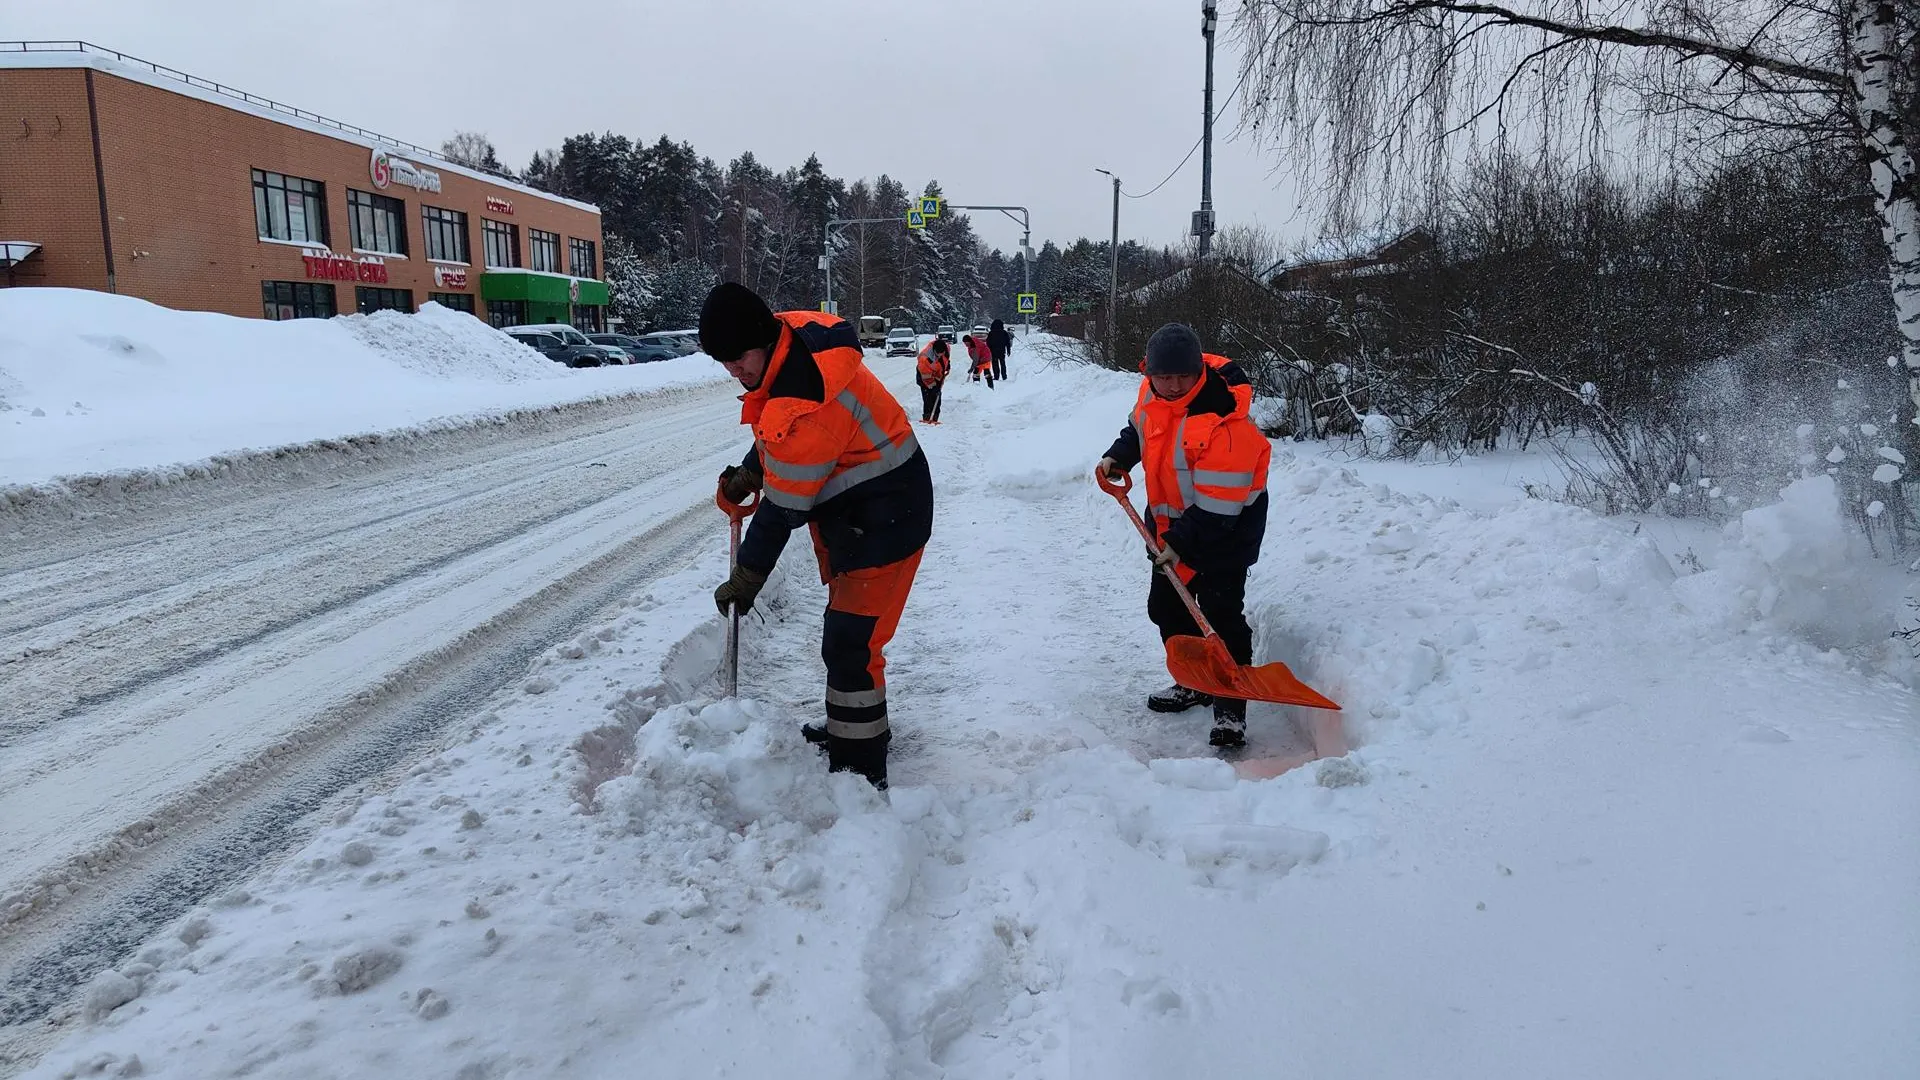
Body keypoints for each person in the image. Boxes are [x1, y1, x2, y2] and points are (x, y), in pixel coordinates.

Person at [703, 282, 934, 788]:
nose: (735, 372)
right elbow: (776, 437)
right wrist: (749, 473)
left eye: (739, 358)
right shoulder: (793, 354)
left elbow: (783, 509)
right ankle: (851, 730)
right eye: (724, 362)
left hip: (888, 520)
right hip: (866, 513)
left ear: (764, 339)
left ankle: (859, 770)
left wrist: (746, 579)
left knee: (853, 644)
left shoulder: (808, 395)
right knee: (847, 638)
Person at [1094, 323, 1270, 748]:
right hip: (1170, 528)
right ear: (1148, 373)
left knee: (1220, 615)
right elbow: (1140, 431)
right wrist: (1118, 457)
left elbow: (1219, 506)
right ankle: (1194, 682)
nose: (1172, 386)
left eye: (1181, 377)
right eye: (1163, 376)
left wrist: (1181, 545)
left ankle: (1230, 707)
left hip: (1224, 534)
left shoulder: (1225, 421)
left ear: (1198, 373)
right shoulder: (1150, 397)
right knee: (1168, 610)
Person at [915, 337, 951, 423]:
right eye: (938, 354)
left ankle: (934, 418)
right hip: (924, 376)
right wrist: (934, 387)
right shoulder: (924, 359)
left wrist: (947, 365)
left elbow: (945, 359)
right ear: (934, 351)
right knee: (928, 398)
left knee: (937, 397)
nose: (940, 356)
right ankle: (927, 418)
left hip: (936, 373)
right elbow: (926, 377)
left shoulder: (946, 348)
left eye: (942, 354)